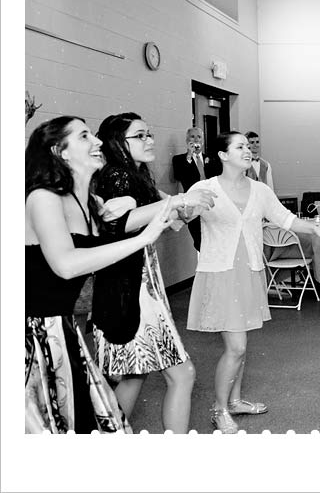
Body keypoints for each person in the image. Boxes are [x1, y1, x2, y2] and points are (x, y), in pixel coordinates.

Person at [25, 116, 174, 433]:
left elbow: (121, 223)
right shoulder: (43, 197)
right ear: (60, 151)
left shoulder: (89, 200)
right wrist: (143, 239)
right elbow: (65, 264)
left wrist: (139, 202)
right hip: (33, 332)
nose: (96, 141)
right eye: (83, 136)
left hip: (63, 327)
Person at [185, 131, 320, 434]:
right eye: (238, 146)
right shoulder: (205, 187)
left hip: (250, 270)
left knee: (241, 344)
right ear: (223, 155)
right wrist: (181, 206)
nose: (247, 150)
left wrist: (314, 228)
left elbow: (285, 219)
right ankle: (220, 408)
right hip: (220, 273)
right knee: (236, 346)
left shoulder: (260, 190)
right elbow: (183, 216)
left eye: (247, 145)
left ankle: (236, 399)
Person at [92, 113, 216, 433]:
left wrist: (193, 204)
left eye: (150, 134)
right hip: (130, 287)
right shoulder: (116, 176)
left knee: (136, 373)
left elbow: (175, 221)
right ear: (118, 142)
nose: (149, 141)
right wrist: (179, 200)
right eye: (140, 136)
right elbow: (117, 222)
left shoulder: (138, 175)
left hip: (141, 283)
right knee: (181, 374)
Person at [173, 127, 220, 251]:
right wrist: (189, 155)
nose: (196, 139)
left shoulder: (211, 159)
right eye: (192, 137)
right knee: (199, 241)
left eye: (199, 137)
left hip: (211, 205)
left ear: (202, 140)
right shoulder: (179, 160)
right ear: (187, 140)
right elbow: (179, 175)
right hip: (193, 206)